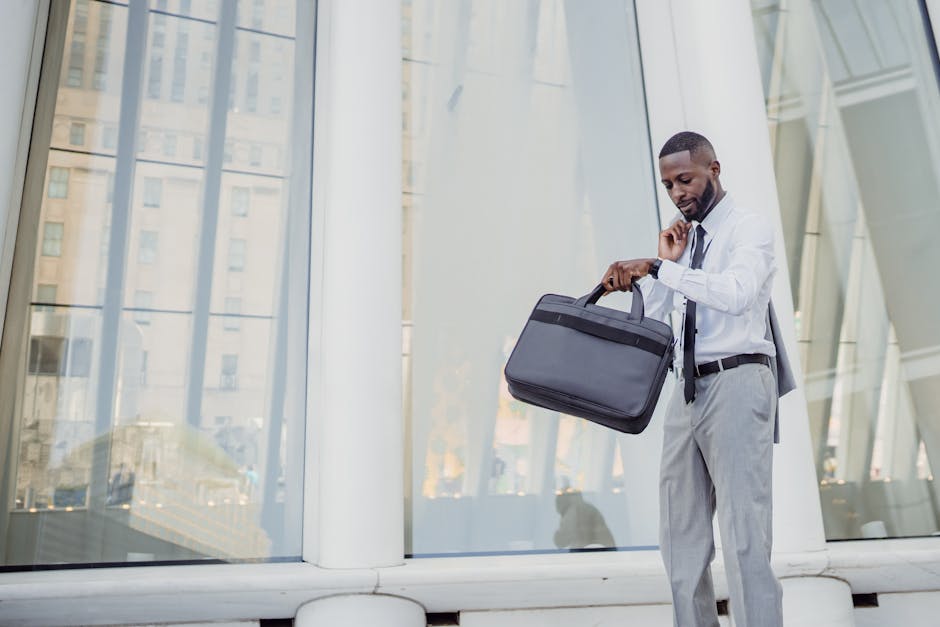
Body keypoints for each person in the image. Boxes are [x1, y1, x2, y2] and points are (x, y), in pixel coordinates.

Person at [602, 131, 784, 627]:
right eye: (668, 186)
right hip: (686, 392)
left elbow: (738, 293)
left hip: (737, 382)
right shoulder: (684, 244)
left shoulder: (749, 229)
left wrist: (661, 267)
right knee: (680, 542)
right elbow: (665, 324)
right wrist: (663, 270)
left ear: (714, 170)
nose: (678, 193)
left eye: (686, 179)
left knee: (745, 538)